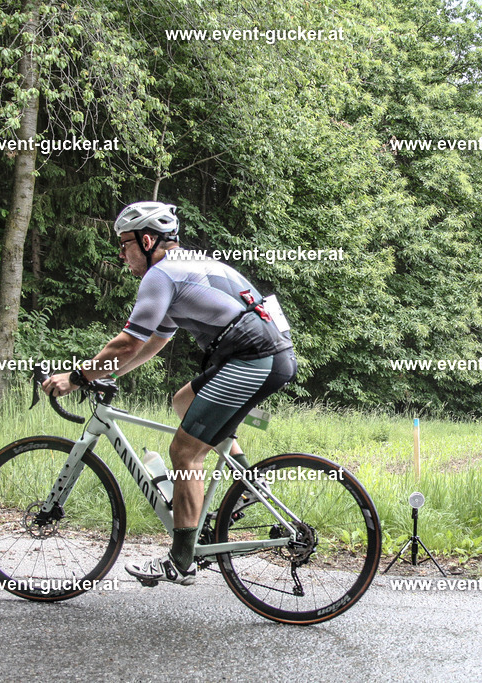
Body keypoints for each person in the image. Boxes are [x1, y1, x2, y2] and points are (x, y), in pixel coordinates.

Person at [42, 200, 296, 585]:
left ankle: (181, 561)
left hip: (254, 357)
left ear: (146, 241)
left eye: (125, 245)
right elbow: (152, 342)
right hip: (264, 353)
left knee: (183, 453)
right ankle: (248, 483)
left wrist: (76, 377)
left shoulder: (160, 276)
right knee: (182, 401)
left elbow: (126, 342)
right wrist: (108, 375)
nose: (122, 255)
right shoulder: (189, 265)